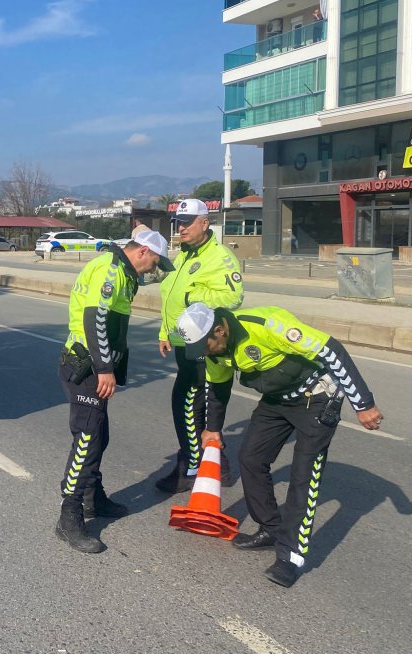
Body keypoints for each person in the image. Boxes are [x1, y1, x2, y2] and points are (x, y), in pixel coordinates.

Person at [175, 302, 383, 588]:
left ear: (220, 330)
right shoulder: (215, 350)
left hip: (316, 397)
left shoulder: (267, 324)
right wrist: (212, 429)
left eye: (205, 345)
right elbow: (218, 388)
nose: (205, 353)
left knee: (303, 475)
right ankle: (270, 528)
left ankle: (292, 557)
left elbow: (330, 350)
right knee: (250, 458)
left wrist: (363, 403)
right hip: (276, 400)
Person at [55, 230, 176, 554]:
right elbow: (95, 320)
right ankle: (70, 514)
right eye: (154, 262)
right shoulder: (111, 271)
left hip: (94, 365)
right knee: (87, 439)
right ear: (142, 252)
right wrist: (105, 369)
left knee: (99, 435)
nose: (154, 270)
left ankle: (94, 498)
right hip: (86, 367)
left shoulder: (121, 271)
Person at [156, 198, 244, 493]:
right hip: (183, 339)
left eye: (187, 222)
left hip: (204, 342)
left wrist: (195, 295)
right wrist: (164, 331)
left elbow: (233, 298)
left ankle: (195, 467)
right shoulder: (183, 254)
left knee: (191, 404)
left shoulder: (219, 257)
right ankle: (206, 465)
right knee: (190, 404)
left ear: (205, 223)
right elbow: (169, 293)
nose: (180, 228)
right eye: (178, 223)